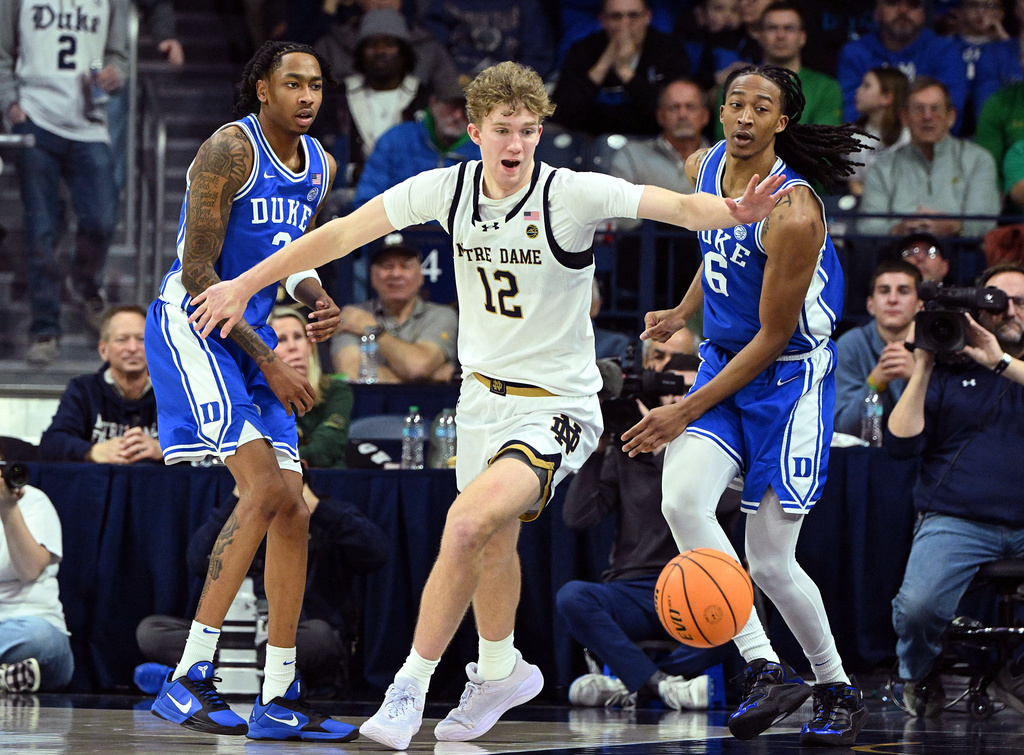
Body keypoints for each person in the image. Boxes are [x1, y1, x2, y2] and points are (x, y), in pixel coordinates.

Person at [186, 60, 792, 750]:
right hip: (480, 399)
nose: (517, 142)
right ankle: (500, 667)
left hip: (558, 405)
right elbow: (340, 234)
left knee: (468, 522)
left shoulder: (571, 193)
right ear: (475, 131)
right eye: (503, 128)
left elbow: (672, 205)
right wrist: (244, 284)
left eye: (529, 130)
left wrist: (732, 212)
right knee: (492, 543)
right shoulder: (448, 189)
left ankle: (407, 688)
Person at [619, 64, 869, 747]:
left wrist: (682, 409)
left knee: (769, 561)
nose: (744, 115)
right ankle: (764, 663)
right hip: (726, 363)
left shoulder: (795, 211)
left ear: (782, 122)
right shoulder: (704, 165)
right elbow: (719, 245)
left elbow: (774, 334)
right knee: (681, 501)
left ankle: (836, 683)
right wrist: (683, 308)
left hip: (788, 379)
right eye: (735, 102)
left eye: (761, 106)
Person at [143, 40, 356, 742]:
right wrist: (268, 358)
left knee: (292, 508)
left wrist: (316, 292)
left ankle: (278, 693)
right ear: (262, 88)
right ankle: (189, 678)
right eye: (292, 83)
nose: (306, 95)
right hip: (198, 327)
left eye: (316, 85)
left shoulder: (320, 165)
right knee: (264, 489)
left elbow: (290, 256)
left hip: (256, 338)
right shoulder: (228, 151)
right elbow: (201, 269)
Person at [887, 262, 1024, 718]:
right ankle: (920, 671)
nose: (1010, 312)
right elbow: (901, 444)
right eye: (999, 302)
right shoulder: (948, 367)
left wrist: (1000, 362)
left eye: (1021, 302)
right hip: (956, 519)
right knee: (919, 608)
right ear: (977, 309)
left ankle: (1017, 671)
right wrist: (924, 363)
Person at [559, 352, 731, 712]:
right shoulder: (630, 450)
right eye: (670, 391)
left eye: (689, 390)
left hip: (696, 588)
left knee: (741, 612)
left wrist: (661, 450)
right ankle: (661, 685)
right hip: (632, 589)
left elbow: (725, 503)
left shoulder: (722, 453)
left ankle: (631, 682)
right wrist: (599, 445)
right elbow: (578, 517)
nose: (677, 400)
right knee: (573, 597)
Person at [135, 469, 389, 697]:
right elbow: (196, 560)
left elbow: (377, 553)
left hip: (294, 634)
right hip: (234, 636)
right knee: (151, 630)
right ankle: (269, 679)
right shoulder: (240, 516)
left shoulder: (327, 514)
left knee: (322, 637)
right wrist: (239, 501)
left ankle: (186, 679)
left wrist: (315, 508)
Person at [0, 0, 128, 366]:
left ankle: (85, 281)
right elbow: (3, 51)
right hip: (36, 119)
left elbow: (119, 57)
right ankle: (44, 329)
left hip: (89, 123)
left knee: (101, 220)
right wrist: (10, 105)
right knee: (41, 229)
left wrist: (114, 75)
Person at [858, 77, 1000, 239]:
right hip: (899, 256)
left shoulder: (978, 160)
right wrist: (897, 230)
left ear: (951, 117)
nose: (927, 116)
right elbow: (867, 226)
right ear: (905, 118)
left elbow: (986, 223)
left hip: (960, 254)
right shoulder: (882, 167)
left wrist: (954, 227)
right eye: (919, 109)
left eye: (935, 109)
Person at [38, 306, 161, 464]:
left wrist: (164, 450)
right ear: (103, 350)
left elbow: (200, 446)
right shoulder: (83, 390)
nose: (132, 348)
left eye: (141, 339)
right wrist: (92, 451)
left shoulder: (175, 393)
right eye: (122, 339)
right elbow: (51, 444)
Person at [551, 0, 690, 136]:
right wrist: (604, 63)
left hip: (651, 141)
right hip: (590, 141)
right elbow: (561, 114)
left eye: (633, 16)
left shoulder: (670, 49)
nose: (624, 24)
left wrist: (624, 71)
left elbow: (670, 112)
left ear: (647, 17)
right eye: (616, 17)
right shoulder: (582, 50)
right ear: (602, 20)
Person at [711, 1, 842, 142]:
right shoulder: (735, 84)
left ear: (803, 37)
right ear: (760, 36)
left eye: (789, 28)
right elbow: (725, 139)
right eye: (772, 28)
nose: (780, 35)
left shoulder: (826, 88)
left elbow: (827, 145)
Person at [332, 240, 459, 383]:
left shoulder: (442, 315)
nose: (396, 274)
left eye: (405, 266)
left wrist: (373, 329)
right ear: (372, 275)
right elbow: (352, 373)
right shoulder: (352, 316)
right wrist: (427, 378)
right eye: (387, 267)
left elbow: (418, 367)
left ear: (420, 275)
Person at [0, 453, 74, 694]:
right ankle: (5, 678)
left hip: (31, 628)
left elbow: (30, 570)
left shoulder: (32, 500)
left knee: (40, 639)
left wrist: (8, 509)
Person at [836, 0, 967, 129]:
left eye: (913, 4)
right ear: (876, 12)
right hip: (870, 144)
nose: (903, 10)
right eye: (893, 2)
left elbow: (947, 113)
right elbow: (852, 112)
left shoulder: (945, 51)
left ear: (924, 13)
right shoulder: (855, 52)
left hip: (927, 145)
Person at [352, 82, 481, 208]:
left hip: (458, 230)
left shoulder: (484, 150)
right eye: (451, 105)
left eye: (467, 109)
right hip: (396, 228)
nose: (458, 115)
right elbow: (366, 202)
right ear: (433, 102)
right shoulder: (396, 139)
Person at [834, 259, 921, 439]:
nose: (892, 299)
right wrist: (875, 381)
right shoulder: (851, 344)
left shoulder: (934, 345)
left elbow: (948, 425)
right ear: (870, 305)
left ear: (920, 305)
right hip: (868, 456)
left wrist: (917, 377)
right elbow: (844, 427)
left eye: (903, 291)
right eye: (884, 291)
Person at [269, 306, 354, 468]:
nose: (293, 347)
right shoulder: (256, 396)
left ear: (310, 345)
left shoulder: (336, 390)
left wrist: (277, 463)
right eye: (281, 340)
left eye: (298, 337)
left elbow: (324, 449)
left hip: (326, 482)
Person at [608, 78, 710, 193]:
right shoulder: (632, 156)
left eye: (690, 107)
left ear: (705, 116)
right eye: (674, 108)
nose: (683, 114)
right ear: (660, 116)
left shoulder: (724, 160)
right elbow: (617, 206)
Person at [420, 0, 556, 81]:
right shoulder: (444, 4)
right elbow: (433, 47)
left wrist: (512, 86)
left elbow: (538, 57)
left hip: (509, 91)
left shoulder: (527, 6)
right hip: (453, 86)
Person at [848, 67, 910, 196]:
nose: (858, 90)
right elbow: (855, 184)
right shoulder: (853, 136)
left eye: (866, 86)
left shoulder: (908, 135)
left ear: (886, 97)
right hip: (868, 209)